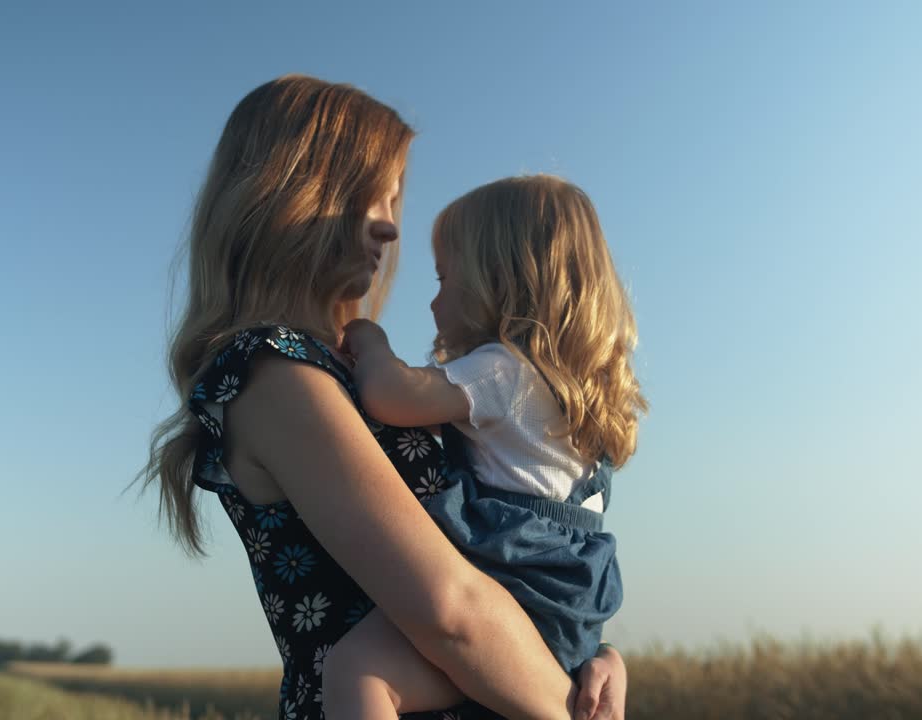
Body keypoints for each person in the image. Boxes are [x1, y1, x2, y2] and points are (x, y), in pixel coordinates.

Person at [139, 75, 627, 720]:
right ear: (297, 192)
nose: (392, 227)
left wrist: (592, 652)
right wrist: (571, 703)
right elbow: (452, 611)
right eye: (374, 192)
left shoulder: (332, 369)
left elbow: (495, 572)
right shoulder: (276, 374)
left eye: (395, 197)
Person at [322, 175, 646, 719]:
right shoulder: (572, 402)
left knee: (357, 671)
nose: (432, 301)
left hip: (511, 592)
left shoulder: (502, 372)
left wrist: (368, 339)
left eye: (445, 279)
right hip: (569, 618)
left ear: (497, 281)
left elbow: (389, 396)